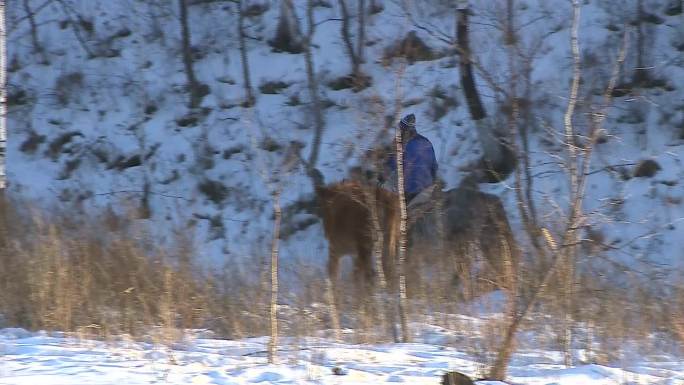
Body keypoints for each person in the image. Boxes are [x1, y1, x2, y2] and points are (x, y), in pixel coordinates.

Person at [384, 113, 438, 203]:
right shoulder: (426, 142)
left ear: (403, 130)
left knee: (387, 185)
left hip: (410, 192)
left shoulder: (402, 146)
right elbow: (434, 167)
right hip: (428, 188)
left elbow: (390, 166)